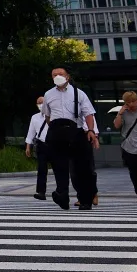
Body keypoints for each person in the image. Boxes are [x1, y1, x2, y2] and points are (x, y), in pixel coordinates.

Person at [41, 67, 99, 210]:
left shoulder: (78, 94)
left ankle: (85, 199)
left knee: (82, 167)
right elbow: (47, 116)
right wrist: (54, 131)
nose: (57, 76)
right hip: (56, 131)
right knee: (59, 167)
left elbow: (88, 113)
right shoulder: (48, 94)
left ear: (67, 76)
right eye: (54, 75)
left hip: (75, 130)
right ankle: (63, 196)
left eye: (60, 74)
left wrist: (91, 130)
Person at [24, 95, 49, 200]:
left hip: (53, 143)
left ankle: (61, 191)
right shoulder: (35, 117)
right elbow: (31, 133)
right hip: (41, 144)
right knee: (42, 169)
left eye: (42, 102)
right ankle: (41, 192)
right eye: (39, 103)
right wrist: (28, 147)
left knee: (58, 168)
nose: (40, 105)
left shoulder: (54, 115)